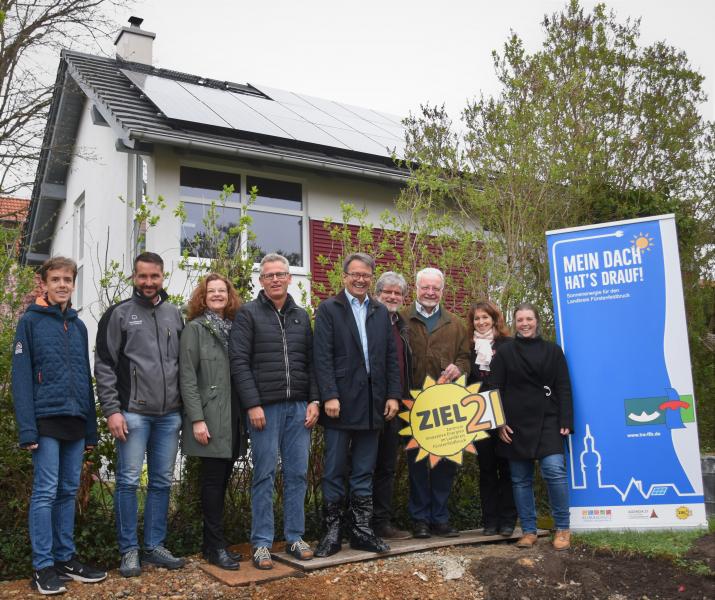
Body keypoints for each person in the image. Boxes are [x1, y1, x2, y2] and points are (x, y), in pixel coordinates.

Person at [12, 257, 107, 595]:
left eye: (68, 279)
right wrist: (27, 429)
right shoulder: (30, 322)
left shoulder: (79, 327)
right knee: (46, 492)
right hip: (45, 421)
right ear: (45, 283)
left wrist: (92, 430)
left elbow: (85, 378)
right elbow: (20, 379)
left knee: (68, 492)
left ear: (73, 283)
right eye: (56, 279)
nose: (63, 284)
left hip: (75, 423)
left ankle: (65, 559)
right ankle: (42, 567)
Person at [95, 252, 185, 577]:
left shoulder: (176, 314)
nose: (149, 283)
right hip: (132, 414)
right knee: (129, 482)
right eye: (143, 277)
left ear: (163, 276)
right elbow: (104, 365)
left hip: (170, 416)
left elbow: (182, 366)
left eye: (154, 277)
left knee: (161, 482)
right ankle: (129, 550)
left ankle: (155, 546)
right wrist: (112, 411)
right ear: (134, 277)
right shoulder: (119, 314)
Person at [230, 254, 319, 570]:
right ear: (261, 281)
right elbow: (239, 362)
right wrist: (252, 403)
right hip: (264, 410)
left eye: (281, 274)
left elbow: (311, 362)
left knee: (296, 474)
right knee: (264, 475)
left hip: (299, 408)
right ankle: (262, 543)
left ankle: (294, 537)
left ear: (289, 278)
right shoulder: (248, 315)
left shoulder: (300, 315)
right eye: (269, 275)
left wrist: (314, 401)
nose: (276, 279)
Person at [313, 253, 401, 557]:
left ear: (371, 277)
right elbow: (321, 356)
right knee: (335, 469)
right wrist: (329, 395)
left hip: (373, 404)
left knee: (365, 470)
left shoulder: (379, 311)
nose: (360, 279)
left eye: (365, 274)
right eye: (355, 274)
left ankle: (362, 531)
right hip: (340, 403)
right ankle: (332, 533)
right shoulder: (329, 309)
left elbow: (391, 357)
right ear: (345, 276)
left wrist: (392, 395)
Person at [491, 302, 574, 550]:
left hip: (549, 418)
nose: (524, 324)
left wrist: (566, 420)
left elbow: (564, 387)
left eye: (529, 319)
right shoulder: (505, 352)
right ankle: (529, 530)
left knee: (554, 471)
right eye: (520, 320)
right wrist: (499, 423)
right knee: (519, 479)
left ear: (537, 321)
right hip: (514, 423)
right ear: (514, 323)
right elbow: (494, 388)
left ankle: (562, 528)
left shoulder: (553, 351)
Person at [180, 274, 243, 571]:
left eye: (222, 291)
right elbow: (188, 377)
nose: (217, 295)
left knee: (222, 481)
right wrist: (197, 419)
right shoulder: (194, 329)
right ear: (202, 297)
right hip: (210, 417)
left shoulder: (235, 328)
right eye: (211, 291)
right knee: (213, 484)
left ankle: (213, 544)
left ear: (229, 296)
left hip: (233, 416)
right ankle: (215, 546)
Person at [402, 267, 470, 539]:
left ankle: (440, 518)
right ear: (416, 288)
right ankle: (419, 520)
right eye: (425, 287)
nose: (430, 292)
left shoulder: (455, 324)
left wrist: (459, 368)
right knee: (417, 463)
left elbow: (467, 358)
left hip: (445, 405)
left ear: (443, 291)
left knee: (445, 464)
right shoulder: (401, 318)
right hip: (413, 405)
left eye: (436, 288)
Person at [466, 300, 517, 537]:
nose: (481, 322)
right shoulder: (468, 348)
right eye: (477, 318)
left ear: (494, 319)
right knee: (486, 469)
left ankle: (508, 521)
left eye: (485, 317)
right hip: (479, 416)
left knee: (507, 468)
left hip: (506, 414)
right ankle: (490, 521)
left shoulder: (508, 345)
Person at [371, 271, 412, 540]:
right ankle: (358, 523)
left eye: (398, 293)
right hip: (368, 404)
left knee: (387, 466)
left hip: (396, 404)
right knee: (361, 466)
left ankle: (381, 523)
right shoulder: (367, 318)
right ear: (378, 294)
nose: (392, 296)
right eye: (388, 292)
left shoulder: (402, 325)